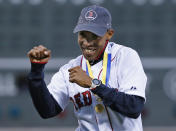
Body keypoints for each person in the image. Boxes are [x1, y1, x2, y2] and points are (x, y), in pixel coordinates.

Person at [27, 5, 147, 131]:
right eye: (83, 35)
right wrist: (36, 71)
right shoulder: (70, 69)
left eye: (94, 36)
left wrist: (93, 84)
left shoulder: (125, 57)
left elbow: (134, 107)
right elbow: (47, 110)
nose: (87, 42)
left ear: (109, 34)